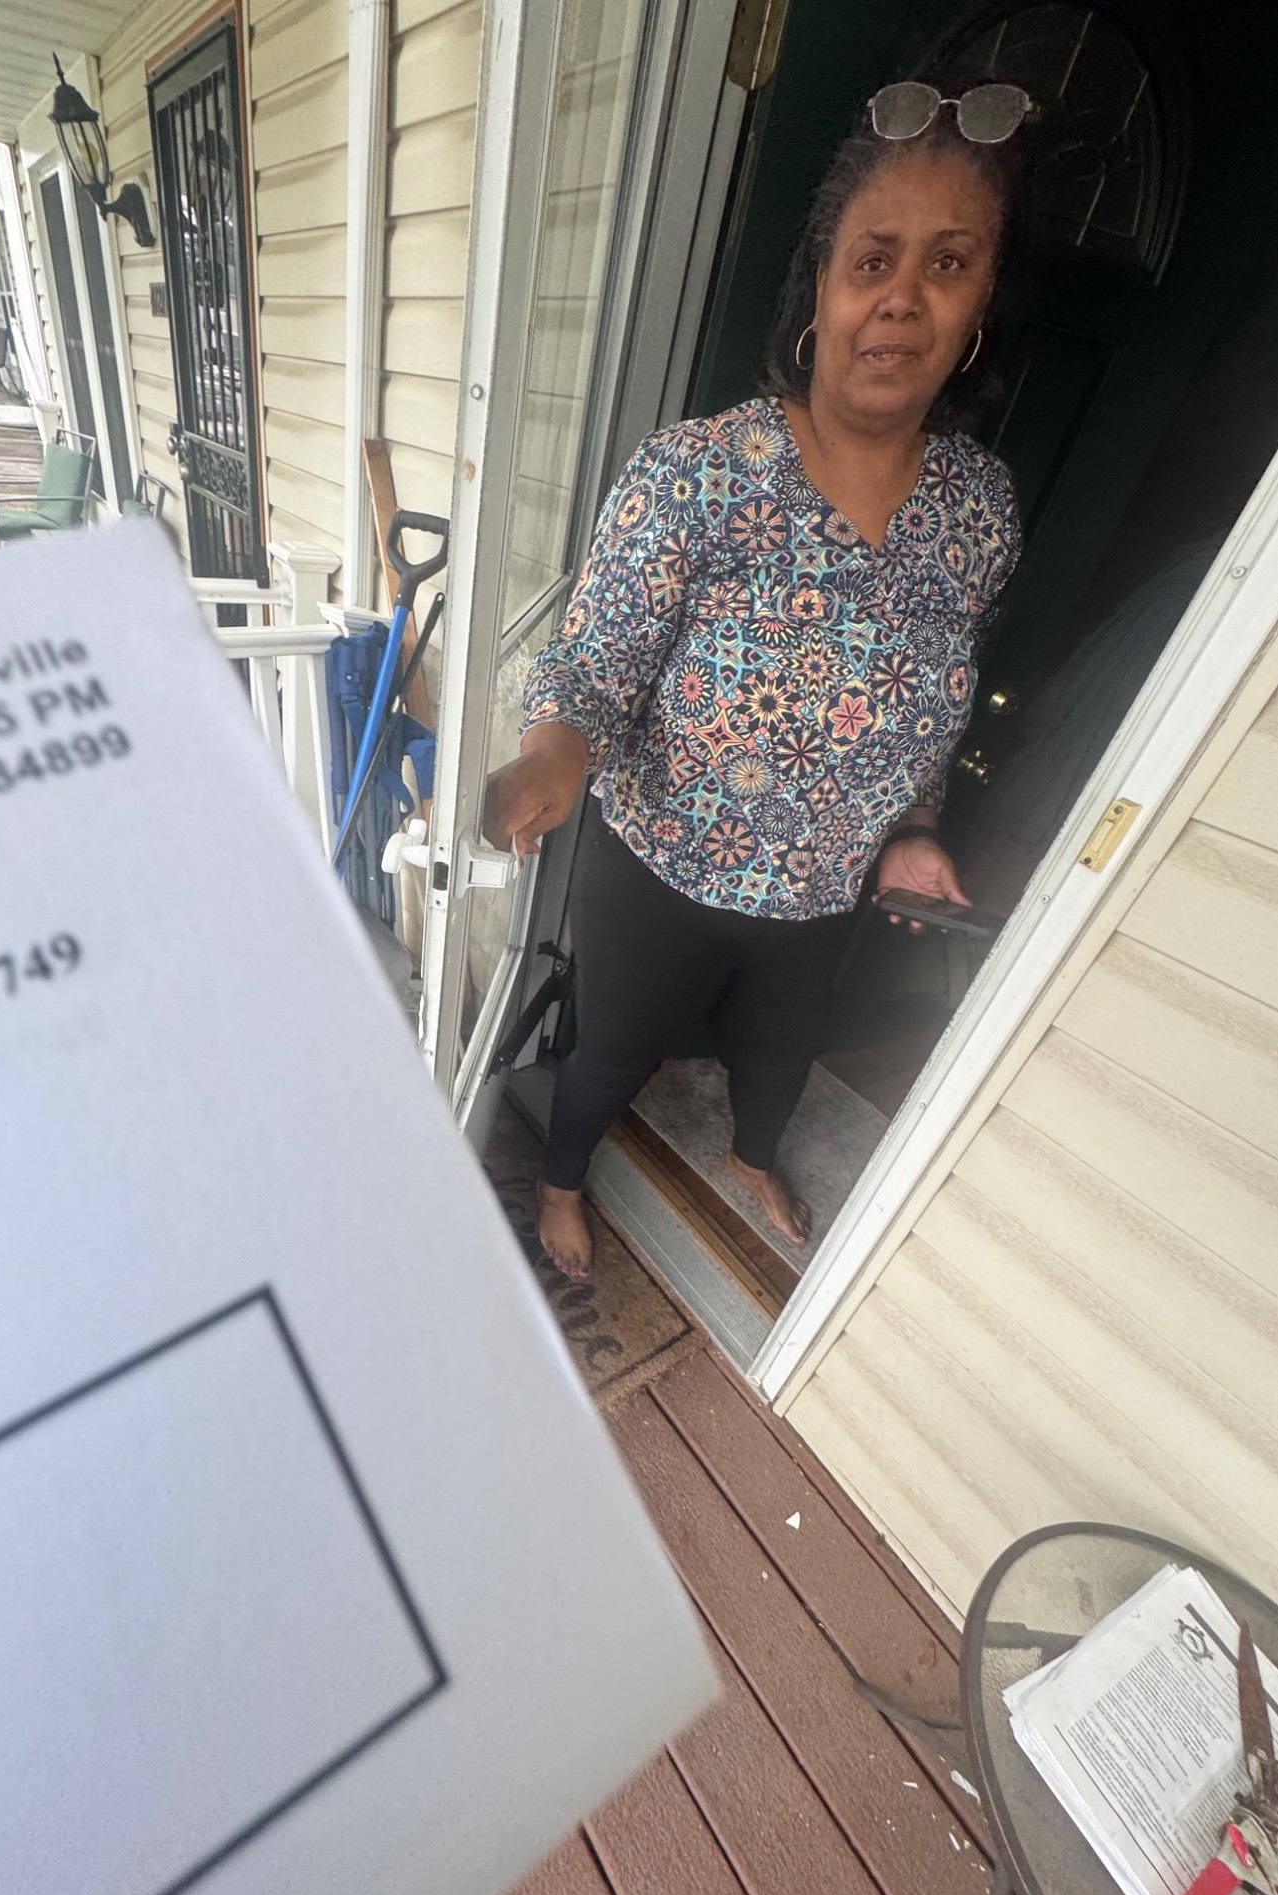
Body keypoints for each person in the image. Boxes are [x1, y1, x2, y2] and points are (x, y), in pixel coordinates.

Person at [486, 83, 1029, 1278]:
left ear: (981, 307)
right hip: (663, 865)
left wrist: (915, 829)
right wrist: (551, 753)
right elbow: (592, 666)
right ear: (821, 292)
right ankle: (563, 1181)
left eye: (948, 264)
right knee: (611, 1052)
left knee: (780, 1060)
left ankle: (750, 1153)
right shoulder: (698, 470)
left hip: (823, 890)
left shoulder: (979, 511)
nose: (903, 296)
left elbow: (932, 709)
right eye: (873, 260)